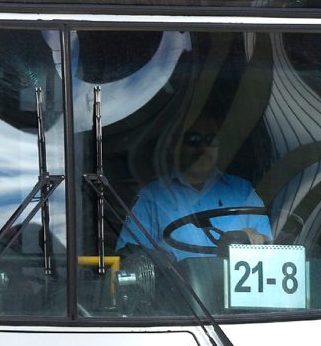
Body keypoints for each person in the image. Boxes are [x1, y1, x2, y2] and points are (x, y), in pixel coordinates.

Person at [116, 111, 272, 261]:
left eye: (210, 140)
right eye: (193, 139)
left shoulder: (243, 191)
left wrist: (256, 237)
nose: (202, 148)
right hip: (178, 288)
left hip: (236, 287)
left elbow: (272, 249)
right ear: (174, 144)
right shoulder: (150, 198)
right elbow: (130, 257)